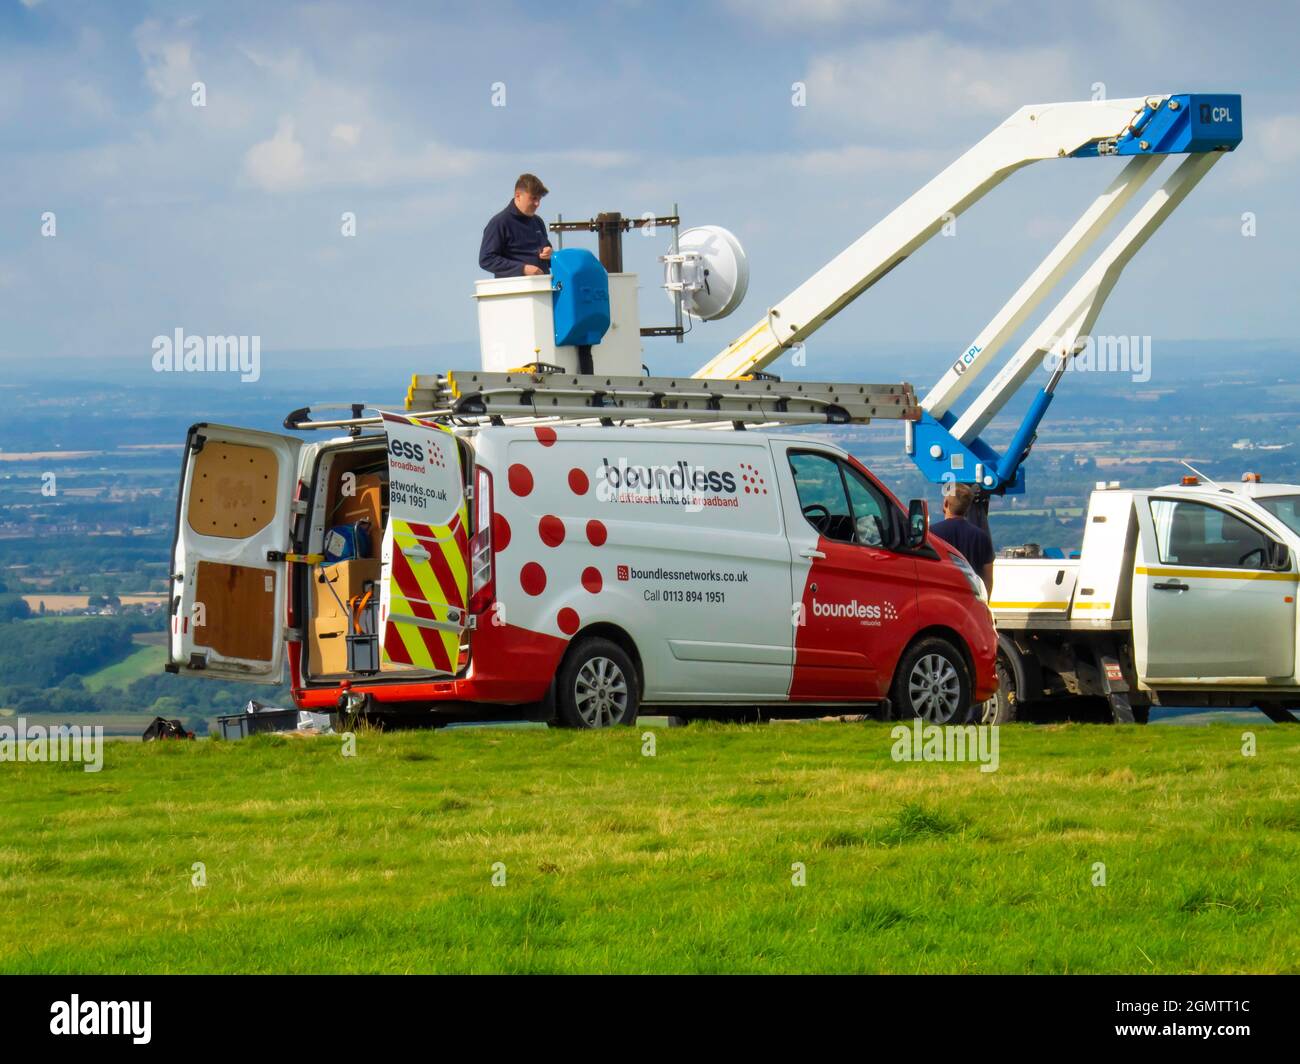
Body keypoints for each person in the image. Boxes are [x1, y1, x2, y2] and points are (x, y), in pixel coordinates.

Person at [479, 174, 553, 278]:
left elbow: (548, 256)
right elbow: (486, 259)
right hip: (514, 291)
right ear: (518, 196)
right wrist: (523, 269)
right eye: (533, 198)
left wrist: (550, 254)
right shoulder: (499, 222)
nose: (537, 204)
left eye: (539, 199)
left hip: (542, 289)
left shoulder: (538, 222)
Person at [930, 482, 994, 595]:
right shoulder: (981, 537)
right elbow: (988, 578)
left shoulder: (932, 534)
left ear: (945, 503)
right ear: (968, 507)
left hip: (941, 596)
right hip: (971, 598)